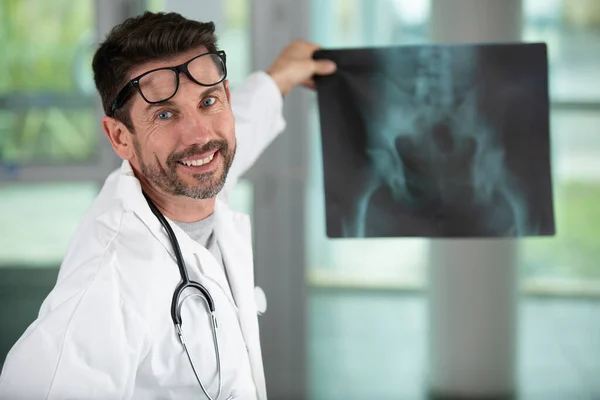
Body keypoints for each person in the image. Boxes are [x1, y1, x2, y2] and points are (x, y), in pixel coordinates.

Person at [0, 11, 336, 400]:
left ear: (225, 98)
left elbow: (242, 120)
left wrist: (280, 76)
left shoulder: (189, 181)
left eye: (208, 101)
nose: (200, 135)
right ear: (120, 137)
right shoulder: (108, 283)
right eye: (165, 114)